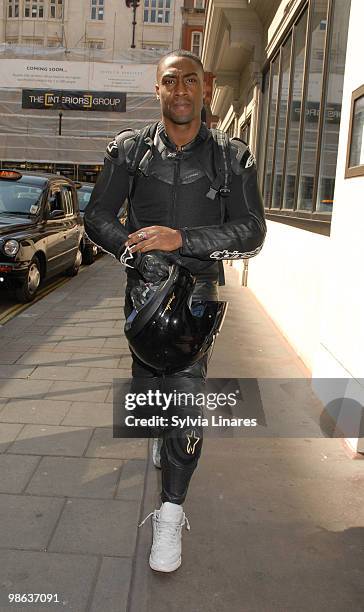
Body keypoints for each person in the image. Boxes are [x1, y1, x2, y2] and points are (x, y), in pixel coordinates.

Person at [84, 49, 266, 573]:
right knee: (151, 395)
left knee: (184, 406)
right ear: (158, 88)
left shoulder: (232, 157)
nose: (181, 89)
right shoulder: (130, 150)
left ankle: (169, 514)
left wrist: (182, 238)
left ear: (206, 87)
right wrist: (136, 249)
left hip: (198, 301)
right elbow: (96, 214)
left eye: (191, 80)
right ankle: (168, 440)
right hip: (143, 299)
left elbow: (252, 229)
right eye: (171, 81)